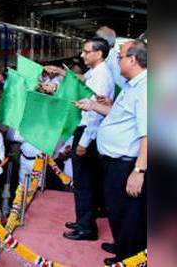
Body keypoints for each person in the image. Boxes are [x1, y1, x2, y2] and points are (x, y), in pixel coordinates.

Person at [76, 40, 147, 264]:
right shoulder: (131, 85)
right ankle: (121, 245)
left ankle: (128, 258)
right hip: (115, 161)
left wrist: (139, 170)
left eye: (120, 57)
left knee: (127, 212)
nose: (117, 61)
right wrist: (94, 105)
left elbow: (149, 133)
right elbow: (119, 115)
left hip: (126, 163)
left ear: (133, 60)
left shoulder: (146, 89)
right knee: (116, 208)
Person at [62, 37, 116, 242]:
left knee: (84, 182)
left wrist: (84, 142)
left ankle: (87, 228)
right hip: (85, 131)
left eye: (86, 51)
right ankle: (82, 219)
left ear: (99, 54)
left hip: (88, 133)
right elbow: (81, 80)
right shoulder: (95, 72)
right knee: (83, 180)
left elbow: (94, 112)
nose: (82, 55)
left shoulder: (101, 76)